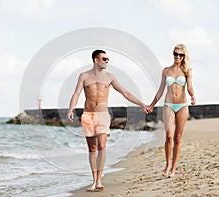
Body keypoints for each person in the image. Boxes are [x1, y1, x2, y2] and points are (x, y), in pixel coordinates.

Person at [67, 49, 147, 191]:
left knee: (102, 146)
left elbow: (125, 92)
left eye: (108, 59)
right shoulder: (84, 76)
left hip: (103, 114)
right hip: (88, 115)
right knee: (92, 148)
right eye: (104, 59)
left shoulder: (110, 77)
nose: (107, 61)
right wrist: (70, 109)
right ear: (96, 60)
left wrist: (142, 104)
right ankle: (93, 180)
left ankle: (99, 180)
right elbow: (76, 93)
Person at [146, 44, 196, 178]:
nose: (177, 57)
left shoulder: (187, 71)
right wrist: (151, 105)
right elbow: (161, 90)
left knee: (177, 138)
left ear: (184, 56)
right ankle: (167, 164)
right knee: (168, 136)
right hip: (168, 104)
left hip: (182, 106)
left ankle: (173, 168)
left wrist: (193, 96)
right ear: (173, 54)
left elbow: (190, 87)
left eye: (180, 55)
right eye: (175, 54)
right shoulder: (166, 71)